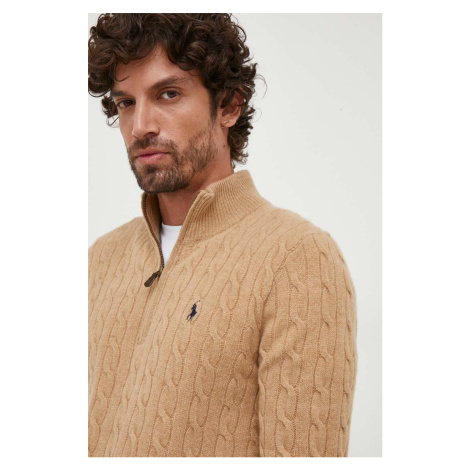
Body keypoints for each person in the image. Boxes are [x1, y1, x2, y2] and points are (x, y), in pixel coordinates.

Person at [88, 13, 358, 457]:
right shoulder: (100, 259)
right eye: (126, 103)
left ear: (229, 106)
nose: (140, 126)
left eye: (168, 94)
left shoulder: (297, 258)